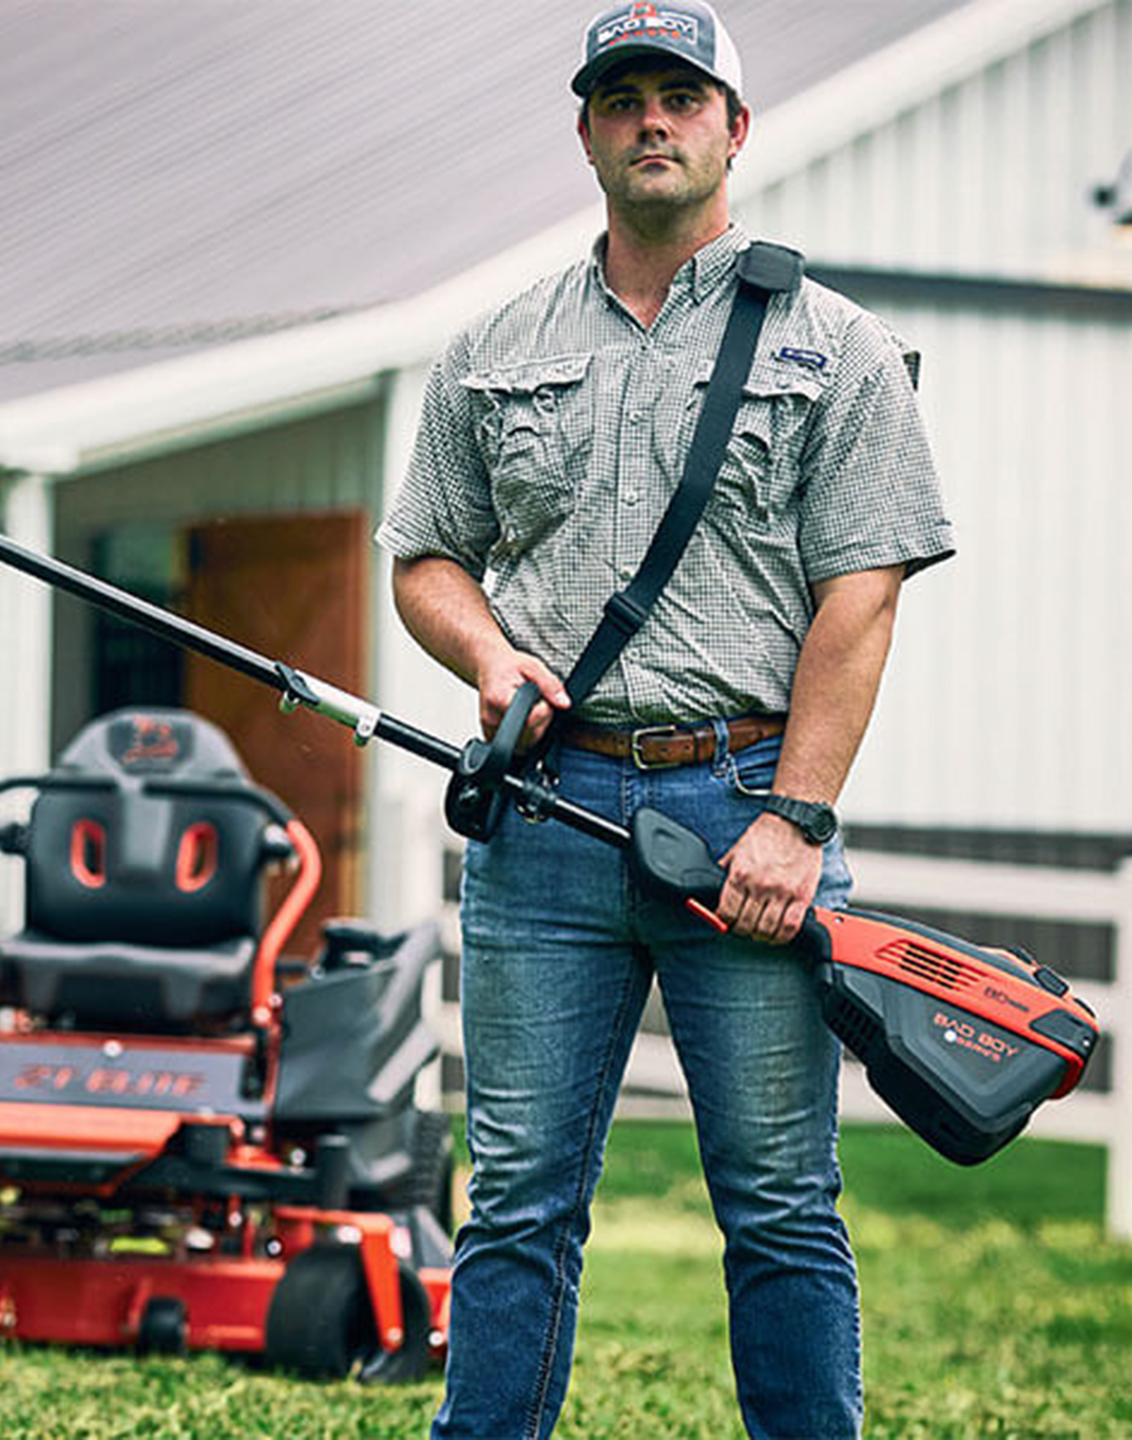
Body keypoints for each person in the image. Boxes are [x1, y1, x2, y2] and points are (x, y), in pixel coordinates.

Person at [374, 3, 954, 1436]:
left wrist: (796, 819)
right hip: (546, 818)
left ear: (733, 129)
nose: (652, 120)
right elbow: (425, 558)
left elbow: (862, 597)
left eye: (681, 97)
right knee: (514, 1197)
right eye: (622, 97)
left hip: (741, 809)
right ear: (583, 130)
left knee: (775, 1200)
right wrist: (490, 660)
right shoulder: (491, 347)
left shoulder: (838, 349)